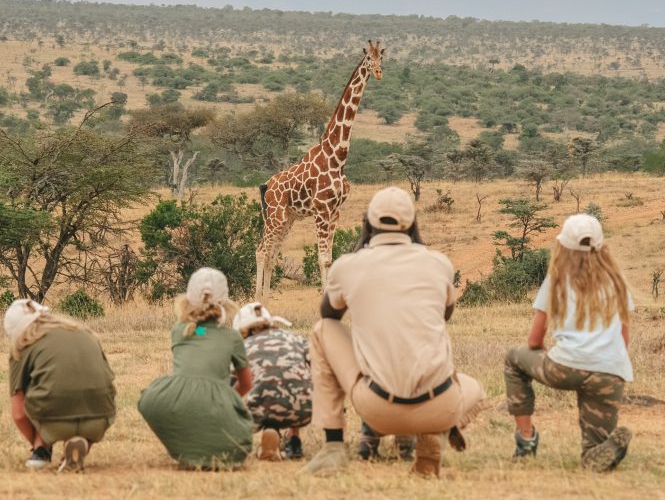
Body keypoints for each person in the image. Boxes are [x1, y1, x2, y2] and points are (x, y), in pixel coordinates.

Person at [301, 186, 486, 478]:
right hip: (440, 405)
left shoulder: (348, 267)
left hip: (377, 409)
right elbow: (444, 315)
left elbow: (329, 315)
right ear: (412, 223)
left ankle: (333, 444)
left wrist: (360, 261)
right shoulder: (439, 263)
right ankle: (434, 435)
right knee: (474, 389)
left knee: (322, 330)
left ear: (367, 222)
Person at [503, 213, 634, 472]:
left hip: (565, 367)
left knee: (513, 359)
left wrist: (552, 356)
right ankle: (598, 450)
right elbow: (624, 339)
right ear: (602, 245)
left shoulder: (557, 279)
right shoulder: (616, 282)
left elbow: (534, 340)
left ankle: (526, 441)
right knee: (592, 447)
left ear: (563, 246)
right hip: (610, 374)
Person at [138, 268, 254, 470]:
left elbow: (201, 332)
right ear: (224, 302)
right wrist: (225, 401)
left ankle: (187, 447)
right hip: (218, 406)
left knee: (147, 398)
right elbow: (246, 384)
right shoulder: (231, 337)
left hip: (176, 399)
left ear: (188, 299)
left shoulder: (180, 330)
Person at [5, 299, 117, 472]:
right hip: (99, 418)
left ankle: (41, 451)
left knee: (37, 389)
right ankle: (80, 447)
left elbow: (19, 414)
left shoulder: (23, 344)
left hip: (53, 423)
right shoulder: (85, 332)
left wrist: (37, 442)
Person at [232, 302, 312, 460]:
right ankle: (293, 440)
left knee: (268, 391)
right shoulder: (295, 338)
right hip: (306, 409)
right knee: (293, 383)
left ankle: (268, 433)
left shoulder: (243, 347)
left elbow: (232, 384)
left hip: (262, 410)